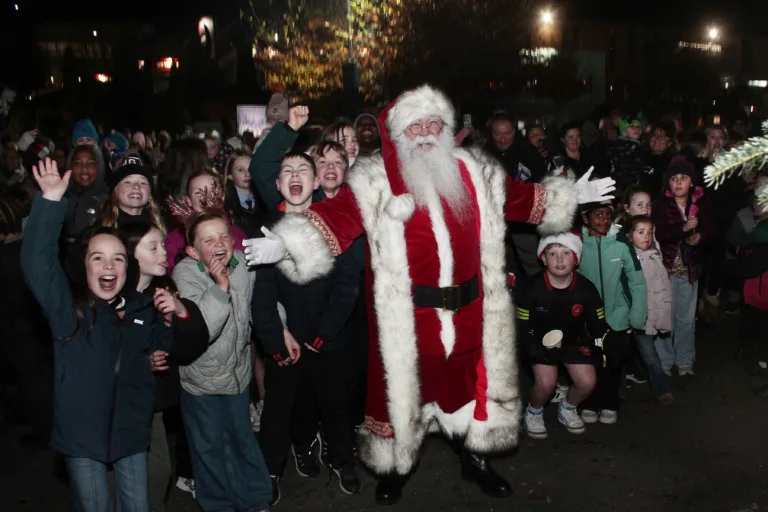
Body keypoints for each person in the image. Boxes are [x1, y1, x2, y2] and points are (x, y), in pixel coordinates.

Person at [242, 84, 616, 505]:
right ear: (400, 133)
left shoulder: (477, 170)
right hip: (411, 314)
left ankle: (476, 459)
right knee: (406, 393)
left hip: (471, 309)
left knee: (472, 387)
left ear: (446, 130)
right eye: (414, 125)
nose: (424, 132)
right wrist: (289, 242)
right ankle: (397, 466)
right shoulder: (376, 177)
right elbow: (339, 215)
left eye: (432, 123)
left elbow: (520, 198)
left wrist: (572, 196)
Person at [21, 158, 174, 512]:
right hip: (82, 438)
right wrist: (50, 202)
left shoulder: (141, 307)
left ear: (128, 267)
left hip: (132, 433)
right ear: (83, 265)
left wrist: (164, 331)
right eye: (98, 259)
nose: (109, 266)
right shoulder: (69, 311)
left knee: (138, 507)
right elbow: (36, 265)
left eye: (118, 259)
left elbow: (155, 348)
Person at [253, 152, 361, 503]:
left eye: (304, 170)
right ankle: (271, 471)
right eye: (287, 171)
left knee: (336, 404)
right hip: (285, 339)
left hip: (327, 338)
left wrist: (324, 333)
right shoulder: (266, 228)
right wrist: (275, 338)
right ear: (277, 184)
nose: (295, 176)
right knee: (279, 409)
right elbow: (262, 294)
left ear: (317, 182)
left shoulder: (335, 223)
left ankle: (343, 460)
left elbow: (347, 286)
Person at [172, 210, 272, 512]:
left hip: (237, 376)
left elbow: (260, 310)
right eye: (209, 239)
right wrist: (219, 286)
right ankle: (217, 504)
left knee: (242, 438)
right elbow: (205, 327)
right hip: (200, 381)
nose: (220, 243)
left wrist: (281, 329)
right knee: (208, 445)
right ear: (192, 250)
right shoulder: (185, 273)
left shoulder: (242, 264)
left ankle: (255, 499)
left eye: (224, 236)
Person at [121, 221, 209, 512]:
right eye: (153, 247)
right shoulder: (113, 297)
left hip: (153, 403)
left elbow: (186, 344)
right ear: (130, 255)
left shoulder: (163, 290)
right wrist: (140, 360)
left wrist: (174, 318)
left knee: (158, 473)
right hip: (118, 407)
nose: (164, 253)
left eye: (162, 245)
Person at [518, 233, 611, 439]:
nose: (559, 260)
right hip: (540, 342)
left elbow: (598, 323)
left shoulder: (586, 288)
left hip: (574, 341)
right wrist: (531, 347)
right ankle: (534, 411)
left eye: (566, 253)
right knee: (546, 383)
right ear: (543, 258)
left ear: (576, 257)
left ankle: (567, 407)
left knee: (587, 382)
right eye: (553, 253)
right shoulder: (530, 289)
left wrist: (603, 342)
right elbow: (522, 326)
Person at [578, 202, 647, 424]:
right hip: (586, 320)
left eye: (608, 215)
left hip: (617, 317)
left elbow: (637, 281)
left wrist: (637, 316)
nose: (604, 220)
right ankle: (589, 402)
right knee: (589, 363)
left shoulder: (621, 243)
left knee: (614, 362)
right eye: (598, 215)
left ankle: (609, 402)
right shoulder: (576, 244)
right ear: (585, 218)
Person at [653, 156, 716, 376]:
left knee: (686, 318)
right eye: (674, 178)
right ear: (668, 183)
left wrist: (699, 235)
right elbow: (659, 234)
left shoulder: (700, 203)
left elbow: (712, 230)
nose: (678, 182)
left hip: (690, 270)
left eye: (684, 178)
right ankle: (664, 361)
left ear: (692, 182)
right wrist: (683, 228)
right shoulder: (661, 205)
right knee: (665, 317)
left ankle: (685, 360)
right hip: (667, 269)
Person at [624, 215, 674, 404]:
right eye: (641, 232)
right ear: (630, 236)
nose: (646, 236)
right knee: (618, 356)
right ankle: (616, 392)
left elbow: (660, 291)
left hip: (643, 318)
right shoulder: (622, 258)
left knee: (650, 356)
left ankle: (662, 389)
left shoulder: (654, 258)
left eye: (650, 232)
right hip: (623, 317)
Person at [164, 170, 247, 271]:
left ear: (222, 197)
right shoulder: (175, 239)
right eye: (198, 192)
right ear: (188, 200)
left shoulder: (237, 235)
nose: (205, 196)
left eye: (212, 191)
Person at [62, 144, 109, 249]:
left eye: (91, 164)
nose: (84, 169)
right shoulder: (61, 194)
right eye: (78, 163)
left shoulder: (106, 199)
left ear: (99, 167)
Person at [99, 158, 164, 229]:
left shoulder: (159, 229)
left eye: (143, 183)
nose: (136, 186)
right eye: (128, 182)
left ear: (150, 194)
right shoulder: (100, 230)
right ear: (115, 191)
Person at [605, 116, 645, 198]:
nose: (636, 129)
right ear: (624, 131)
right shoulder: (622, 145)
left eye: (638, 127)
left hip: (631, 188)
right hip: (622, 189)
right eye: (632, 126)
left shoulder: (637, 145)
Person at [643, 122, 676, 197]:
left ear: (669, 143)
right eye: (655, 135)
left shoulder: (672, 163)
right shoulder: (640, 156)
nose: (657, 138)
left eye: (662, 136)